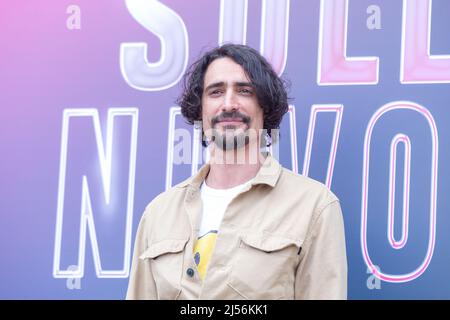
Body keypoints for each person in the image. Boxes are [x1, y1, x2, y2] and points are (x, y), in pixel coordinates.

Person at [126, 44, 347, 300]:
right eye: (216, 92)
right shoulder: (158, 213)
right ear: (200, 109)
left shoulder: (314, 206)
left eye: (244, 91)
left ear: (265, 106)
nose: (229, 104)